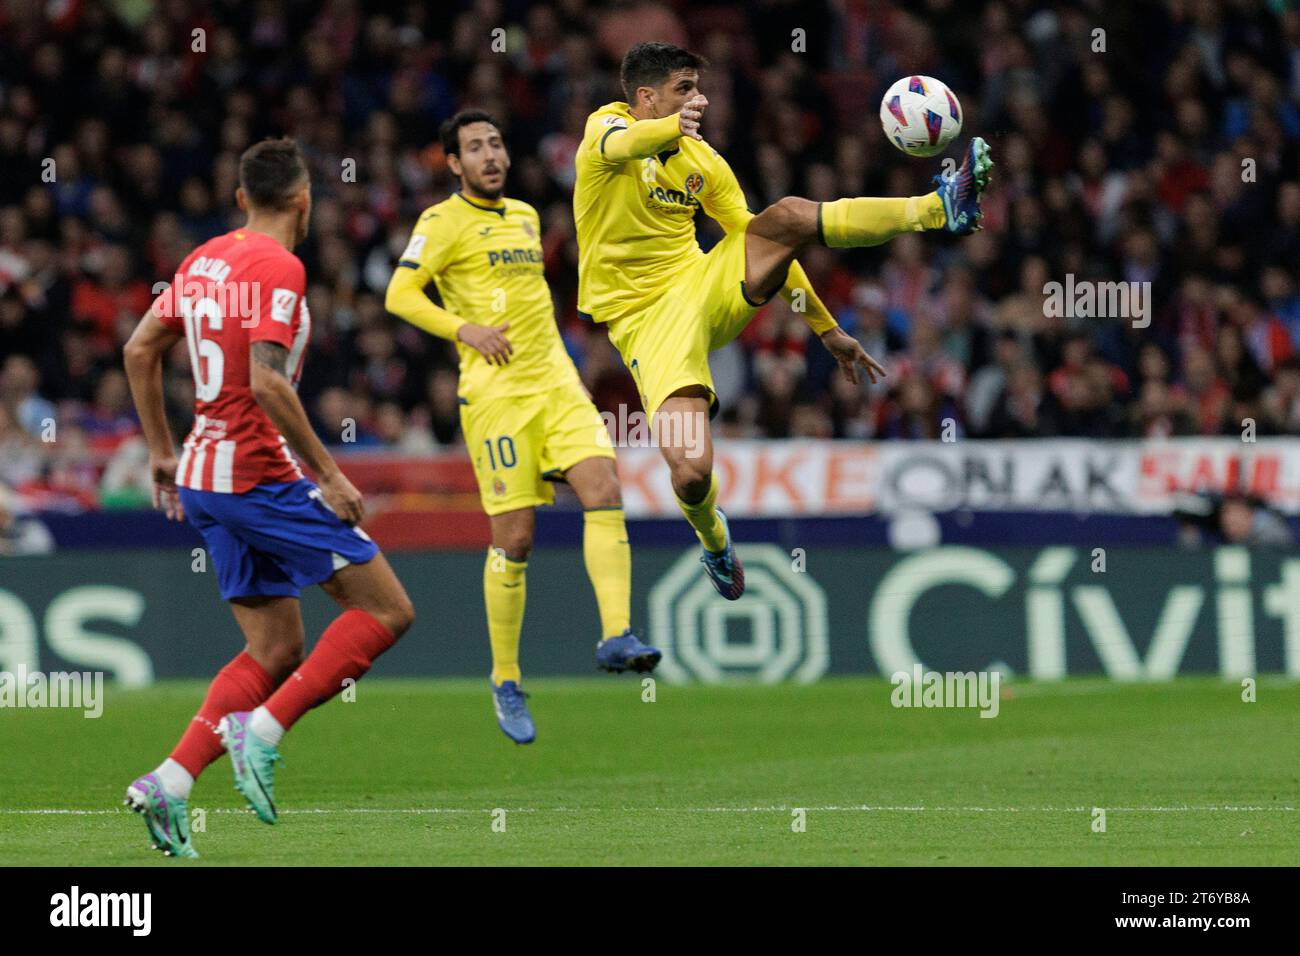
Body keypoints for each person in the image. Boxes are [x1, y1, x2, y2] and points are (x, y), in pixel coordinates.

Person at [573, 42, 992, 599]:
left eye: (698, 88)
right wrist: (672, 127)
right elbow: (628, 143)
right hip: (645, 322)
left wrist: (827, 329)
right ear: (646, 96)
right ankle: (714, 538)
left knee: (787, 215)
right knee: (692, 470)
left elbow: (768, 245)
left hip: (703, 285)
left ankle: (938, 207)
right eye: (683, 90)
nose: (698, 99)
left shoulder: (703, 161)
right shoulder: (606, 128)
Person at [121, 138, 415, 857]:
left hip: (202, 477)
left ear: (242, 197)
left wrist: (162, 450)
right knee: (386, 610)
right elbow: (268, 383)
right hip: (257, 476)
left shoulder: (203, 259)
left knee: (276, 646)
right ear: (305, 198)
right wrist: (330, 475)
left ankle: (171, 781)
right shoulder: (280, 267)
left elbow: (138, 350)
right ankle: (263, 730)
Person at [386, 110, 657, 746]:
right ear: (453, 164)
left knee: (604, 490)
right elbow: (400, 295)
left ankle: (616, 634)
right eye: (474, 148)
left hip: (557, 386)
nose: (490, 155)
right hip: (497, 397)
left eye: (497, 143)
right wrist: (466, 330)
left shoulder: (528, 216)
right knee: (516, 538)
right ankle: (506, 678)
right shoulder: (440, 222)